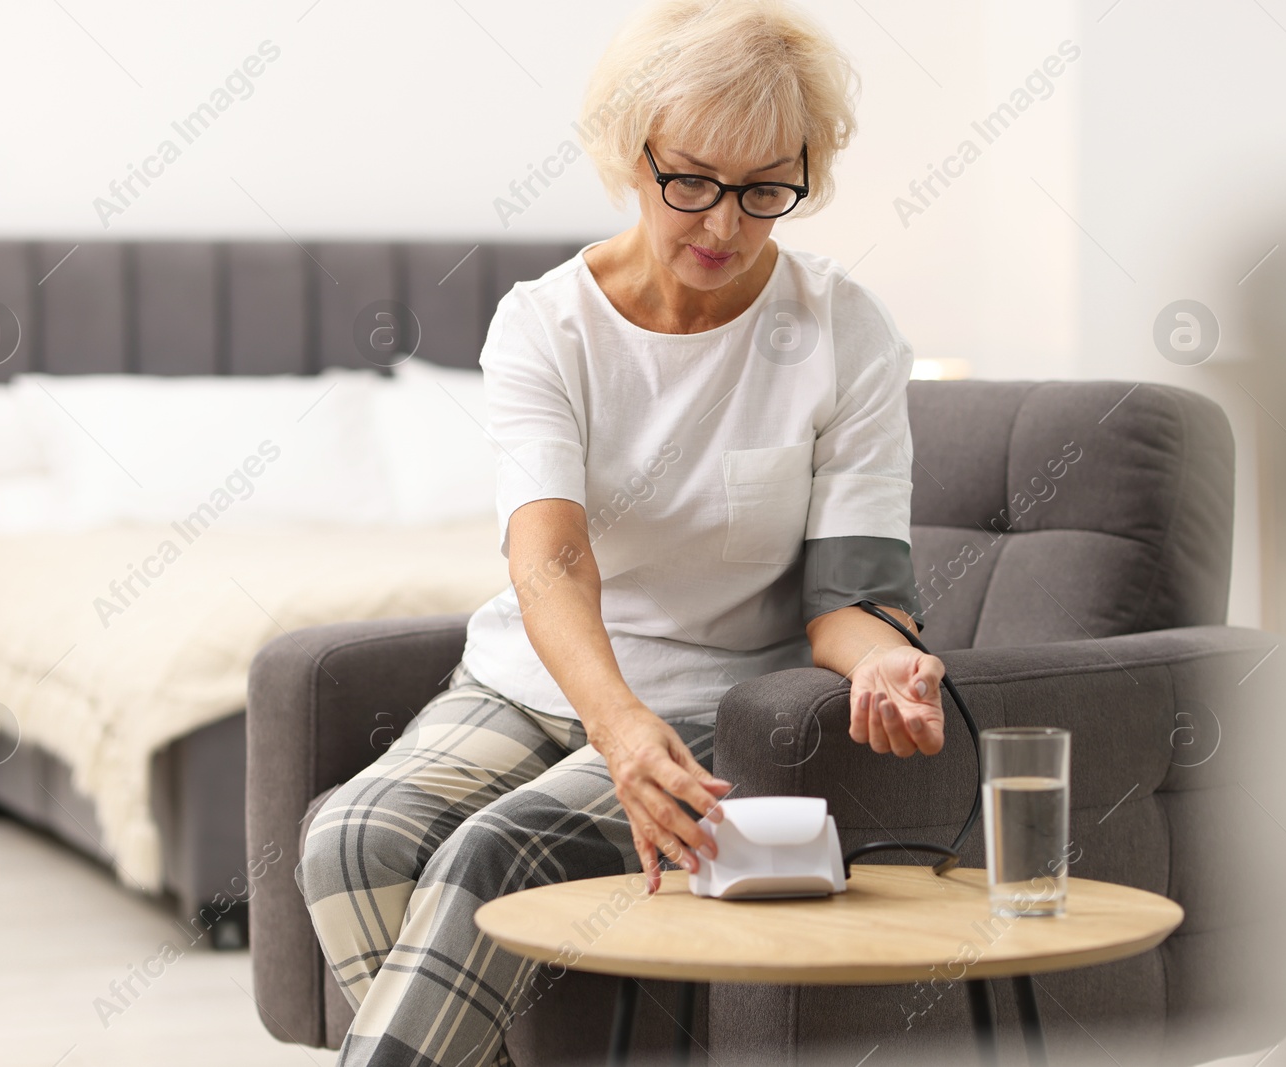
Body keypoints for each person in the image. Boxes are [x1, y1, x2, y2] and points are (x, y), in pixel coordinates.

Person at [299, 1, 945, 1062]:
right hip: (533, 681)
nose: (723, 225)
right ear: (626, 152)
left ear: (805, 174)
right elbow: (547, 556)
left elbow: (854, 599)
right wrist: (616, 723)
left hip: (708, 706)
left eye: (764, 190)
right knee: (352, 839)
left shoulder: (844, 331)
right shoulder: (546, 323)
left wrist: (888, 666)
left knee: (493, 853)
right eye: (688, 179)